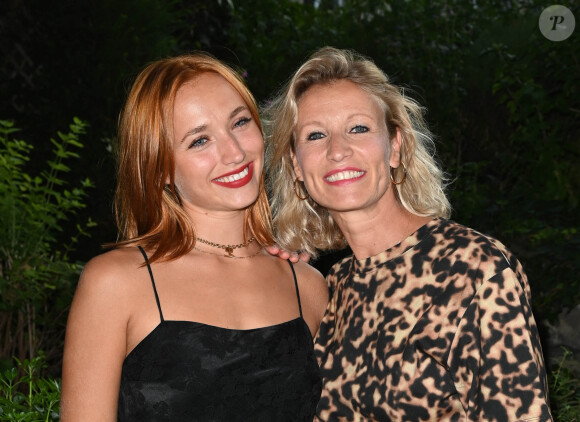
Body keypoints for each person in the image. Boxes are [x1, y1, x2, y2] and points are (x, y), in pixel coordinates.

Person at [265, 46, 553, 421]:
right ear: (296, 166)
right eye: (316, 135)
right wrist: (273, 276)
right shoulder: (330, 290)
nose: (338, 150)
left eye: (358, 128)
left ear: (395, 147)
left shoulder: (473, 269)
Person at [60, 52, 328, 421]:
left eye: (239, 122)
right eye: (199, 140)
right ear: (159, 169)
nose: (234, 152)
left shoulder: (308, 286)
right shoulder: (115, 283)